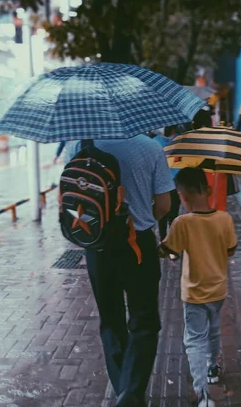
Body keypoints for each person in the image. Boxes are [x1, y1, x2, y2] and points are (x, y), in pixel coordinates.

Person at [69, 135, 173, 407]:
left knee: (110, 321)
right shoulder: (151, 148)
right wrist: (143, 216)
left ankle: (123, 392)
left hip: (97, 247)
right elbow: (164, 205)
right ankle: (132, 393)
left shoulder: (81, 145)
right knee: (144, 321)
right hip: (138, 245)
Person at [158, 167, 237, 407]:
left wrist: (159, 249)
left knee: (194, 339)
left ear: (183, 197)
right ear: (209, 189)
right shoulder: (224, 218)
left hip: (193, 293)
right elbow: (231, 249)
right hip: (218, 289)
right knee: (213, 331)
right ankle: (213, 367)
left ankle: (202, 392)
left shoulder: (183, 222)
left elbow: (168, 250)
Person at [152, 125, 181, 239]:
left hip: (161, 183)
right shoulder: (181, 141)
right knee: (173, 215)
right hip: (175, 182)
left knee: (162, 214)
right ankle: (171, 243)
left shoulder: (154, 142)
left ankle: (163, 240)